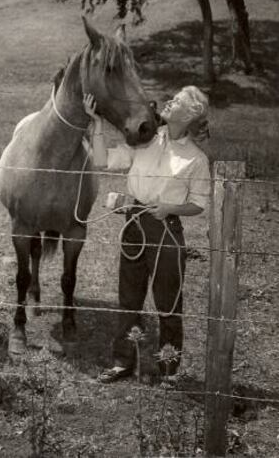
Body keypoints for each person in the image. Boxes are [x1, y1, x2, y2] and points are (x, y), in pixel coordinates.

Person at [83, 86, 211, 384]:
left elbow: (199, 204)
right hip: (134, 223)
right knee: (128, 297)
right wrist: (97, 124)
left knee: (168, 302)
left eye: (178, 100)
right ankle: (122, 362)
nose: (170, 101)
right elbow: (104, 161)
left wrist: (169, 207)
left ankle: (169, 371)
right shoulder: (146, 139)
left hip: (166, 229)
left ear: (191, 114)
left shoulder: (196, 159)